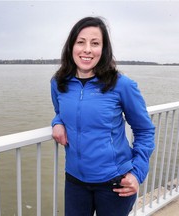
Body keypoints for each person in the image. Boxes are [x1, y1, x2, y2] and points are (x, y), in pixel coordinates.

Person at [51, 17, 155, 216]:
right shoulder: (58, 84)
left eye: (95, 43)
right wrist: (57, 123)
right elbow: (59, 112)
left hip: (115, 183)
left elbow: (144, 130)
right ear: (71, 46)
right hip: (75, 181)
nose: (87, 49)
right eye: (81, 42)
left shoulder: (122, 85)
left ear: (103, 49)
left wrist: (137, 173)